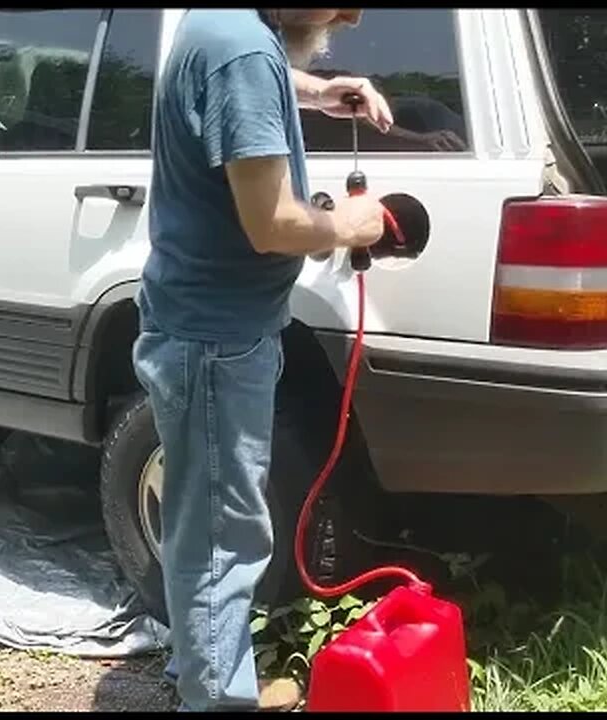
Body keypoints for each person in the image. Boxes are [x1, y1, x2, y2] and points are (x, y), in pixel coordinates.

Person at [134, 8, 393, 712]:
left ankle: (210, 676)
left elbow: (246, 80)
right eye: (339, 2)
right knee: (224, 534)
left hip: (204, 325)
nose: (350, 16)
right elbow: (271, 224)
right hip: (216, 338)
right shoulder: (242, 48)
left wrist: (317, 90)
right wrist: (351, 225)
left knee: (205, 518)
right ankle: (217, 698)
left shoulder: (220, 22)